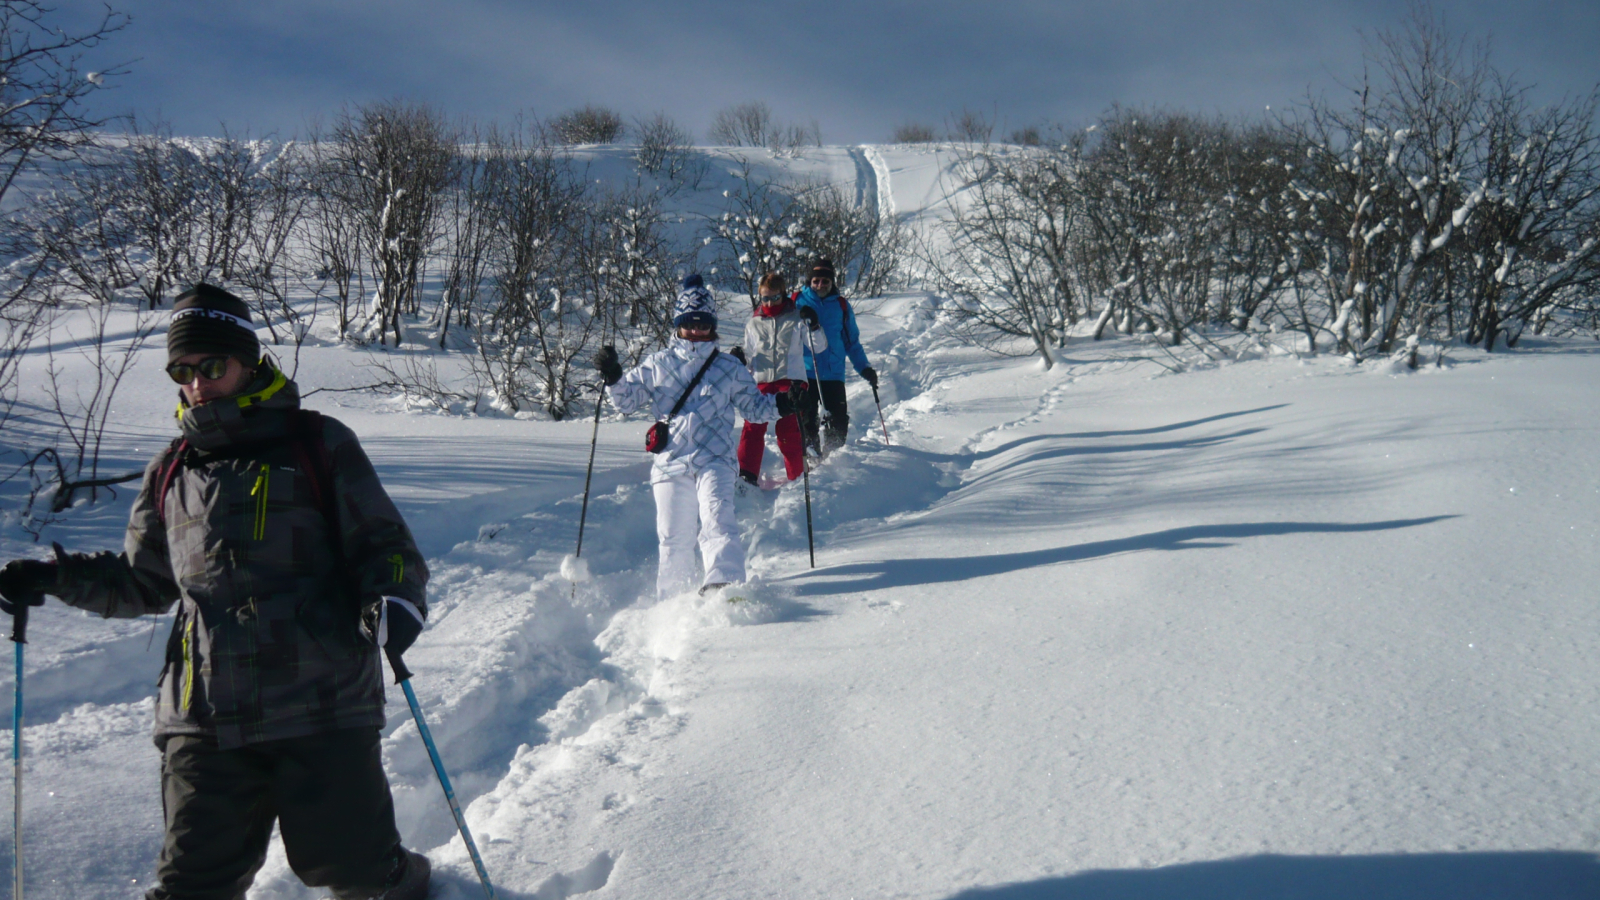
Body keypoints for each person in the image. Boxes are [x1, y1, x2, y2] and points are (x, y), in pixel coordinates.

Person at [0, 284, 431, 900]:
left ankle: (407, 880)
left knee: (352, 869)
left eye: (212, 366)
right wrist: (56, 577)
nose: (197, 382)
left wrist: (395, 599)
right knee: (191, 886)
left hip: (322, 700)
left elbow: (385, 545)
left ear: (248, 363)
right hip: (203, 713)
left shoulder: (317, 443)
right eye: (183, 370)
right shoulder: (171, 469)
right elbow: (144, 582)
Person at [594, 274, 796, 599]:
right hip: (670, 464)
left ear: (712, 325)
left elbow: (755, 409)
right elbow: (626, 401)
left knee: (718, 519)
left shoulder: (728, 367)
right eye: (691, 322)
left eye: (704, 323)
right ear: (679, 323)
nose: (698, 330)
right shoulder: (658, 363)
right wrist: (614, 377)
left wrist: (784, 403)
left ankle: (725, 584)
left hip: (715, 460)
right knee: (674, 536)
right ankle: (672, 600)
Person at [733, 272, 826, 485]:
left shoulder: (797, 318)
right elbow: (749, 354)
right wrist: (739, 357)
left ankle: (798, 476)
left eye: (774, 298)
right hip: (762, 381)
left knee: (788, 429)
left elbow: (818, 347)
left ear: (783, 295)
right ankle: (747, 476)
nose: (769, 302)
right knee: (753, 425)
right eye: (765, 298)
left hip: (790, 379)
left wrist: (814, 326)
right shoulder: (754, 323)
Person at [794, 257, 877, 456]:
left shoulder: (841, 306)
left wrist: (864, 367)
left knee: (838, 421)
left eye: (825, 281)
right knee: (807, 420)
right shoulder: (796, 301)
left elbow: (851, 342)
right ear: (810, 282)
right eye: (816, 281)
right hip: (805, 371)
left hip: (833, 372)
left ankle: (834, 459)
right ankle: (811, 457)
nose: (820, 285)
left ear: (832, 282)